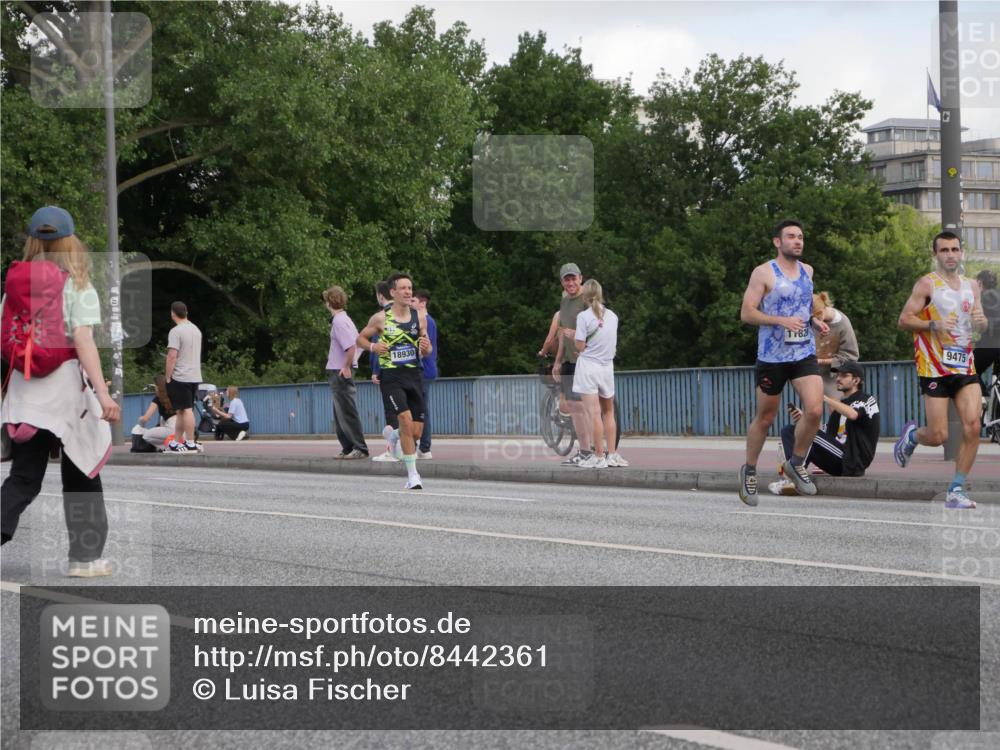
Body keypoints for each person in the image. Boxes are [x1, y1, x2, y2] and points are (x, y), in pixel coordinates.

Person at [1, 206, 121, 577]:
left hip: (24, 391)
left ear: (33, 241)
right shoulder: (76, 285)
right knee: (83, 468)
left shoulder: (12, 285)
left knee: (24, 476)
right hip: (64, 392)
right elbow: (83, 342)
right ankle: (85, 559)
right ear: (70, 242)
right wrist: (103, 394)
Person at [894, 231, 989, 510]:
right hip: (933, 367)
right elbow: (904, 319)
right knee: (938, 436)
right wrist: (932, 325)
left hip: (964, 364)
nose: (950, 255)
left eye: (955, 249)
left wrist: (981, 322)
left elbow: (977, 325)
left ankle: (956, 489)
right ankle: (912, 436)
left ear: (961, 253)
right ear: (935, 254)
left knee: (973, 426)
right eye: (944, 250)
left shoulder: (972, 286)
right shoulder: (927, 284)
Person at [738, 219, 828, 506]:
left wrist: (813, 321)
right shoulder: (764, 273)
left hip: (803, 352)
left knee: (814, 410)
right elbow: (747, 314)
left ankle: (796, 462)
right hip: (772, 357)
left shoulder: (808, 271)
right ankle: (750, 470)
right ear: (778, 242)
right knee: (765, 417)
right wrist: (779, 320)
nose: (797, 241)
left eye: (800, 236)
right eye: (791, 236)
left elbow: (802, 308)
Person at [357, 273, 432, 489]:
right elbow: (359, 338)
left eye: (410, 288)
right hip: (392, 377)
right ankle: (413, 476)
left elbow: (426, 349)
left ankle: (394, 437)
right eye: (403, 288)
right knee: (406, 420)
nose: (408, 292)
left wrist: (426, 349)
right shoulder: (380, 318)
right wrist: (373, 347)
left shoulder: (420, 317)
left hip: (415, 375)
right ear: (393, 292)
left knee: (416, 431)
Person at [768, 362, 880, 494]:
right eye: (838, 375)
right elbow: (826, 435)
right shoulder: (840, 406)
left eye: (844, 375)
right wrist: (804, 420)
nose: (838, 378)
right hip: (835, 458)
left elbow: (853, 414)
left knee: (810, 433)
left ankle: (794, 478)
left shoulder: (866, 399)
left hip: (852, 460)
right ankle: (795, 477)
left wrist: (824, 398)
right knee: (788, 430)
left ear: (856, 380)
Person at [573, 280, 628, 468]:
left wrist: (580, 346)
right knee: (608, 412)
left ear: (584, 296)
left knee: (593, 413)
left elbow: (579, 345)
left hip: (589, 367)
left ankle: (598, 456)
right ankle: (612, 454)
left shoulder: (583, 317)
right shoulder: (613, 316)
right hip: (607, 367)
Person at [552, 263, 594, 466]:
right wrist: (558, 360)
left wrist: (581, 340)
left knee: (585, 407)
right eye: (566, 279)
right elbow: (562, 333)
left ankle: (593, 450)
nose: (570, 282)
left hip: (584, 360)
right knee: (575, 408)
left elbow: (598, 328)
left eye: (573, 278)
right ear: (562, 282)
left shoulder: (587, 300)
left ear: (581, 278)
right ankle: (585, 451)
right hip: (569, 360)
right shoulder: (564, 302)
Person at [323, 286, 368, 458]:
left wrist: (347, 366)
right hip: (338, 369)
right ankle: (348, 446)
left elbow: (350, 347)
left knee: (346, 410)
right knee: (339, 410)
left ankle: (359, 448)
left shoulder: (339, 322)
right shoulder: (344, 319)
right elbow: (357, 344)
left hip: (339, 371)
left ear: (329, 302)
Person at [165, 300, 203, 454]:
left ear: (173, 313)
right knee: (181, 410)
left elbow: (172, 356)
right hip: (195, 375)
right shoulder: (196, 329)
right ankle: (176, 442)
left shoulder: (176, 331)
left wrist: (168, 377)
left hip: (180, 376)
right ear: (186, 313)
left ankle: (190, 442)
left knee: (186, 410)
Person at [369, 280, 400, 463]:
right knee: (405, 411)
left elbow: (378, 347)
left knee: (392, 412)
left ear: (381, 295)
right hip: (407, 371)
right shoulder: (405, 315)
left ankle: (392, 450)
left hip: (388, 371)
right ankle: (408, 447)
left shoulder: (381, 317)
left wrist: (376, 371)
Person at [813, 291, 860, 401]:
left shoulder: (843, 324)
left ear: (820, 313)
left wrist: (820, 361)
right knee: (812, 411)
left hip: (833, 375)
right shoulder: (810, 320)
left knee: (836, 409)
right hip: (810, 373)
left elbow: (851, 357)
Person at [413, 289, 438, 459]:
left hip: (424, 369)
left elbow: (424, 347)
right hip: (426, 369)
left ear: (423, 303)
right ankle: (422, 446)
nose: (410, 303)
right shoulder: (426, 321)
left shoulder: (426, 322)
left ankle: (424, 446)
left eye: (414, 300)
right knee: (420, 408)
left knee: (421, 409)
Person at [133, 374, 177, 451]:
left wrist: (140, 421)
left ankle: (167, 447)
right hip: (183, 430)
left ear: (157, 386)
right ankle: (175, 444)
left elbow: (146, 418)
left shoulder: (157, 398)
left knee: (147, 435)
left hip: (171, 429)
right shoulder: (176, 395)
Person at [973, 269, 999, 396]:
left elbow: (977, 324)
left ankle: (984, 396)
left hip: (988, 346)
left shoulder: (979, 298)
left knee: (970, 370)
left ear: (979, 283)